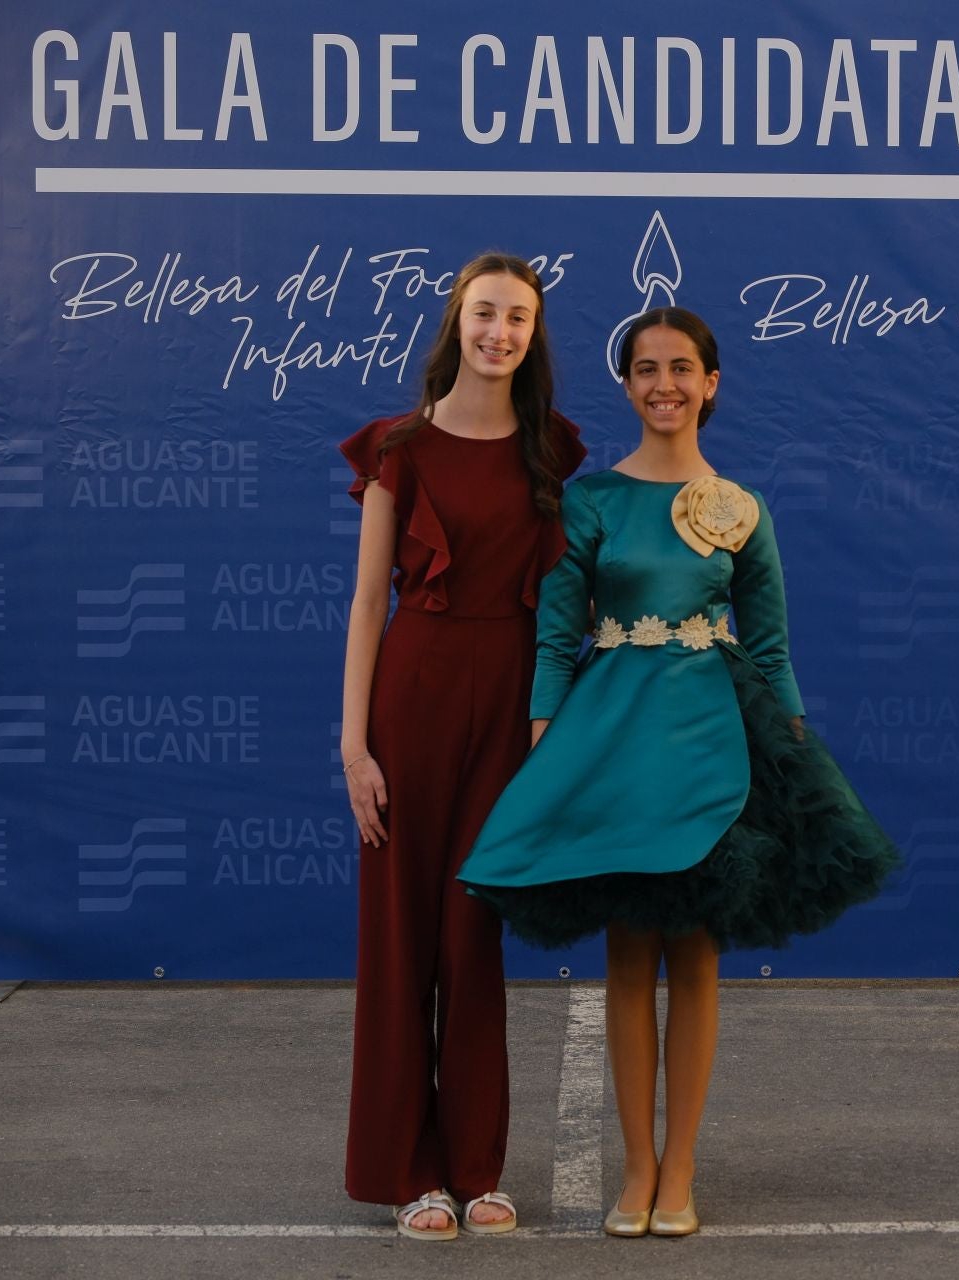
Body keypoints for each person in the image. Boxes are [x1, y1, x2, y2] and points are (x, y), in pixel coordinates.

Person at [459, 306, 900, 1239]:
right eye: (647, 368)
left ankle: (683, 1169)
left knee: (695, 952)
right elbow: (555, 628)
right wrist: (545, 737)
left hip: (711, 738)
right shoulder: (591, 502)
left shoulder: (740, 509)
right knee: (628, 953)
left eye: (683, 368)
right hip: (615, 738)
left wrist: (796, 757)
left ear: (711, 384)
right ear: (628, 386)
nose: (665, 383)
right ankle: (639, 1169)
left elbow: (772, 650)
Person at [339, 252, 585, 1241]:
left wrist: (554, 722)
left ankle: (479, 1167)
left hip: (511, 703)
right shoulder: (399, 447)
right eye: (486, 312)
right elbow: (366, 606)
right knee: (401, 943)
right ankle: (412, 1173)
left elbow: (565, 603)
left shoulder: (550, 451)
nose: (500, 331)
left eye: (518, 317)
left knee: (473, 936)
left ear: (533, 335)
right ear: (457, 322)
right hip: (413, 696)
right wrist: (353, 747)